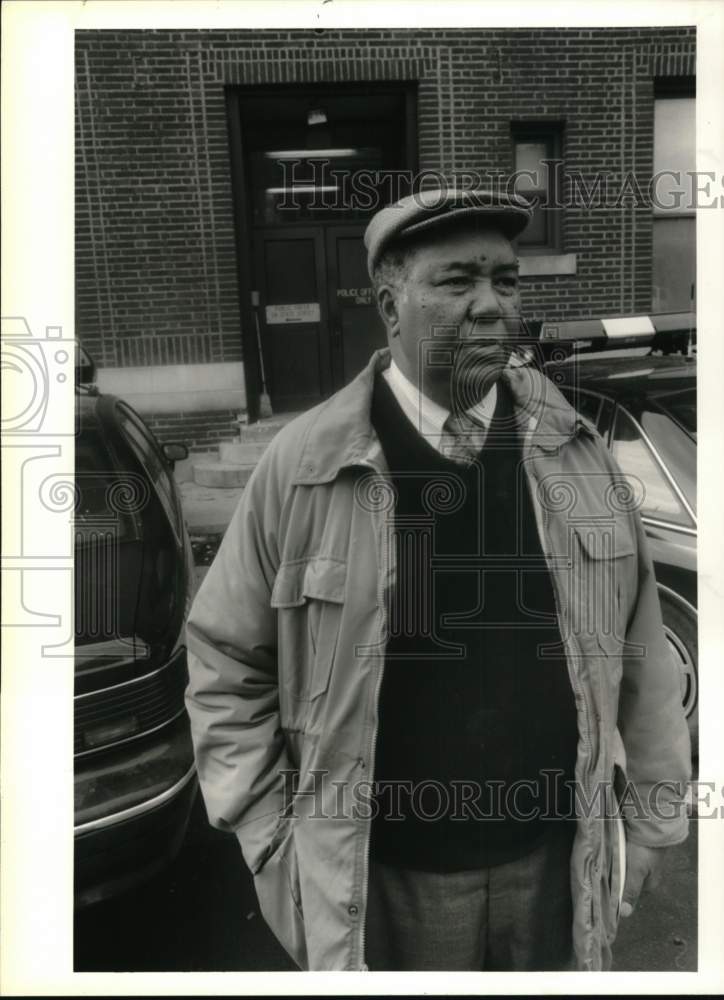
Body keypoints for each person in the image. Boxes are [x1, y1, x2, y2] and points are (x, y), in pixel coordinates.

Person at [185, 188, 691, 972]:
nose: (491, 305)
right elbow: (224, 662)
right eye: (459, 282)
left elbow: (642, 651)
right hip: (381, 884)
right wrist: (271, 836)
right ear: (391, 306)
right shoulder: (304, 468)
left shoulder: (575, 452)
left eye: (507, 280)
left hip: (556, 870)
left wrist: (656, 819)